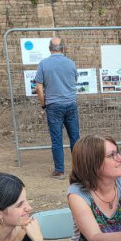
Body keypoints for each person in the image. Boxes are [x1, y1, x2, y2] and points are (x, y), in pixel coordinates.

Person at [34, 37, 79, 177]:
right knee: (75, 138)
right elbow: (74, 81)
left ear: (49, 49)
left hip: (54, 106)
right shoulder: (71, 63)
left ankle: (59, 170)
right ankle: (80, 170)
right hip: (71, 104)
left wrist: (43, 103)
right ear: (63, 48)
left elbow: (39, 88)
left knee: (57, 139)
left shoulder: (43, 64)